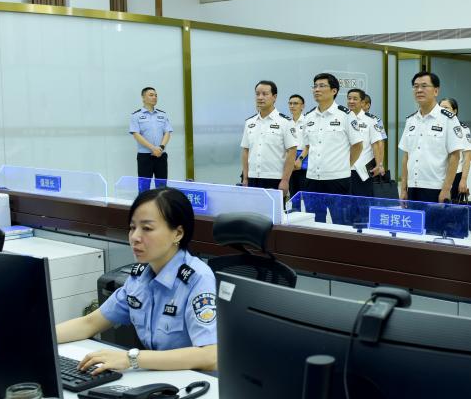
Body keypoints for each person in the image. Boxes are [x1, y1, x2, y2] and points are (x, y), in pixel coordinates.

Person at [55, 188, 217, 373]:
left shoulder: (198, 279)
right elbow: (90, 323)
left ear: (178, 233)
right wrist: (36, 338)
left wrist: (132, 359)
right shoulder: (140, 277)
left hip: (196, 382)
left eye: (147, 228)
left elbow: (210, 356)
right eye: (132, 227)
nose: (134, 237)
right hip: (159, 377)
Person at [300, 73, 364, 224]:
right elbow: (308, 145)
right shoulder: (308, 117)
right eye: (315, 86)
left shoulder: (346, 115)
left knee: (341, 223)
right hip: (312, 179)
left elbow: (357, 146)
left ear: (334, 91)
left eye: (322, 86)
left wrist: (344, 166)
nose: (317, 89)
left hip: (338, 179)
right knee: (314, 223)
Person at [398, 72, 468, 204]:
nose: (419, 90)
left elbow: (455, 156)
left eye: (424, 86)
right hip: (413, 187)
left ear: (436, 91)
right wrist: (403, 188)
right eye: (416, 86)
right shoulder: (411, 120)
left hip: (436, 188)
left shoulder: (448, 119)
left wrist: (446, 189)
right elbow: (406, 156)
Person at [240, 80, 297, 193]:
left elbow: (292, 151)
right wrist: (245, 178)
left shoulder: (285, 122)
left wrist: (285, 180)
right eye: (257, 94)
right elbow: (246, 151)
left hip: (275, 179)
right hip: (252, 178)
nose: (260, 97)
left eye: (265, 94)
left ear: (274, 97)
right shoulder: (250, 122)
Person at [130, 86, 173, 192]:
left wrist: (161, 148)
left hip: (161, 155)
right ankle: (144, 202)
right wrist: (153, 148)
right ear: (143, 98)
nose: (154, 97)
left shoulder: (162, 114)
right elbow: (136, 134)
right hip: (145, 157)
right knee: (144, 188)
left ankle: (161, 203)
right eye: (151, 95)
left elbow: (167, 132)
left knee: (162, 187)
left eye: (156, 95)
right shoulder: (136, 115)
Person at [346, 88, 386, 198]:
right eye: (349, 98)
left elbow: (378, 143)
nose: (351, 101)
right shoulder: (343, 117)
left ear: (363, 102)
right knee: (345, 202)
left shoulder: (372, 120)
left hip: (363, 169)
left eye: (355, 99)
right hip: (344, 168)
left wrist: (379, 164)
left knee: (363, 202)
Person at [439, 98, 471, 203]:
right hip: (438, 175)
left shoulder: (462, 129)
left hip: (455, 174)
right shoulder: (436, 127)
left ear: (455, 111)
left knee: (451, 206)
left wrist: (463, 180)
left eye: (446, 108)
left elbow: (467, 157)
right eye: (440, 108)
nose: (443, 110)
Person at [288, 93, 308, 197]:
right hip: (290, 162)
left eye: (295, 103)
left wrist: (300, 159)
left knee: (305, 196)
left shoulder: (307, 121)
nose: (292, 106)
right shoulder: (286, 122)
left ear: (302, 106)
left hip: (304, 161)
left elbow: (309, 145)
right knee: (293, 195)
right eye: (290, 103)